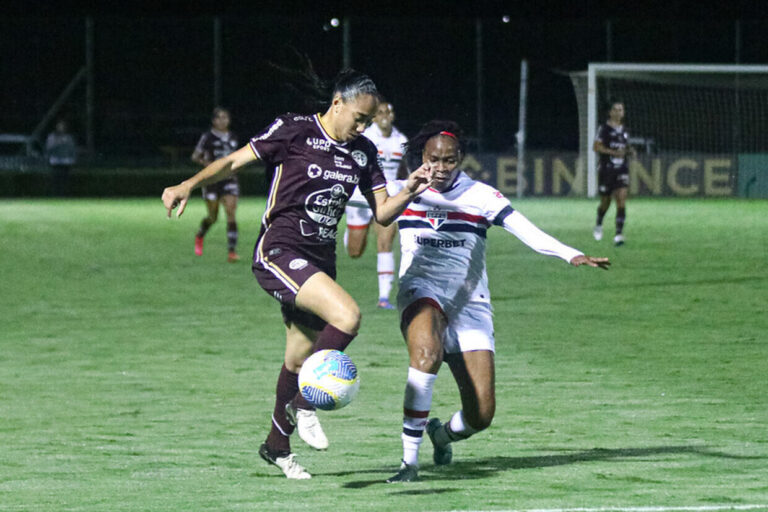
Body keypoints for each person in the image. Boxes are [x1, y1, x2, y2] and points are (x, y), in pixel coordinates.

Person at [162, 68, 433, 480]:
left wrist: (410, 189)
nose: (363, 127)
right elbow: (235, 160)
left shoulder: (362, 152)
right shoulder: (294, 131)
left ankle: (276, 446)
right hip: (279, 250)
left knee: (298, 355)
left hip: (319, 260)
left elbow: (382, 213)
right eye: (358, 117)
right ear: (337, 102)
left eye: (368, 120)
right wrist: (189, 184)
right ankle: (304, 405)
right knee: (348, 315)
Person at [384, 120, 610, 483]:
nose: (440, 168)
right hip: (421, 289)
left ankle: (441, 436)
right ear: (421, 156)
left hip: (470, 304)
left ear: (461, 159)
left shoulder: (481, 196)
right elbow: (356, 200)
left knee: (482, 414)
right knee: (426, 353)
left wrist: (571, 254)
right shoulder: (400, 190)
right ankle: (408, 463)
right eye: (433, 159)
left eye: (449, 160)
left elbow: (526, 230)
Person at [343, 101, 408, 309]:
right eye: (380, 113)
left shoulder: (401, 141)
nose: (385, 116)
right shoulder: (365, 137)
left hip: (386, 197)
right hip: (360, 199)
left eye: (389, 112)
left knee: (385, 244)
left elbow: (402, 171)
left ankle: (384, 298)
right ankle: (351, 231)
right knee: (355, 252)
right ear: (374, 116)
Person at [191, 107, 241, 262]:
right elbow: (195, 156)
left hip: (229, 180)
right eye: (219, 118)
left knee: (231, 213)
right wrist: (208, 164)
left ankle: (231, 252)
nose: (223, 120)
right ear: (214, 121)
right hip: (212, 181)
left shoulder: (233, 137)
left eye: (225, 117)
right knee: (213, 217)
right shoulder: (207, 137)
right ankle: (200, 235)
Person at [592, 100, 636, 246]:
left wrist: (631, 151)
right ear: (610, 112)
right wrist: (613, 152)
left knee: (621, 199)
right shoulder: (604, 129)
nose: (618, 112)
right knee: (606, 202)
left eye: (621, 110)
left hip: (622, 168)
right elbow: (596, 147)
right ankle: (599, 222)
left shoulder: (625, 130)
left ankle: (618, 234)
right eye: (616, 109)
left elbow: (626, 146)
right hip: (606, 169)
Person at [45, 120, 77, 197]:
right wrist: (59, 143)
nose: (61, 128)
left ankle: (65, 195)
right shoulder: (52, 137)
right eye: (59, 126)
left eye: (62, 126)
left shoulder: (68, 137)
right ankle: (55, 194)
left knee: (65, 180)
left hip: (66, 162)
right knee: (55, 179)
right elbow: (49, 148)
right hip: (55, 162)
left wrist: (73, 158)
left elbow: (72, 149)